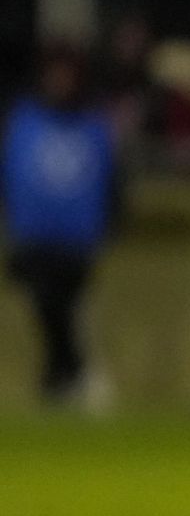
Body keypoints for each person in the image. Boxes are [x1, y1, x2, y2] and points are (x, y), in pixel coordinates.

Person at [1, 43, 120, 408]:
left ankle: (60, 377)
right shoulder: (24, 119)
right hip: (33, 236)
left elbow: (112, 180)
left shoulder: (93, 124)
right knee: (45, 303)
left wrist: (111, 224)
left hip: (77, 239)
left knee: (64, 306)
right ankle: (69, 372)